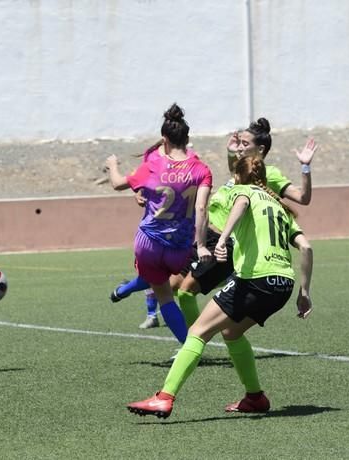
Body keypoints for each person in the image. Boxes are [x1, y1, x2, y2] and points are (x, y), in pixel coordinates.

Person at [126, 154, 313, 418]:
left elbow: (241, 203)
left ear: (238, 176)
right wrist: (304, 294)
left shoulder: (243, 191)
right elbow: (306, 247)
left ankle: (164, 397)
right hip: (283, 284)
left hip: (255, 279)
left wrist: (223, 239)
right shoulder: (279, 206)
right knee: (231, 333)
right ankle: (255, 397)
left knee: (198, 331)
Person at [111, 118, 318, 328]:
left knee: (185, 291)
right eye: (240, 143)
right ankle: (126, 290)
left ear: (260, 149)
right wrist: (144, 193)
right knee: (169, 284)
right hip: (204, 237)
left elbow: (303, 198)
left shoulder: (268, 173)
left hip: (221, 242)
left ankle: (194, 341)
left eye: (245, 144)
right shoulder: (240, 172)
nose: (240, 148)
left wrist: (305, 167)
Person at [105, 103, 213, 344]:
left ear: (164, 139)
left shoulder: (153, 163)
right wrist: (202, 244)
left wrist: (112, 165)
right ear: (187, 138)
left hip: (150, 242)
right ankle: (123, 290)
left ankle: (188, 348)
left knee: (164, 295)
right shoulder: (201, 169)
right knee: (161, 281)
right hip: (180, 247)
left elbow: (117, 183)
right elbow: (201, 207)